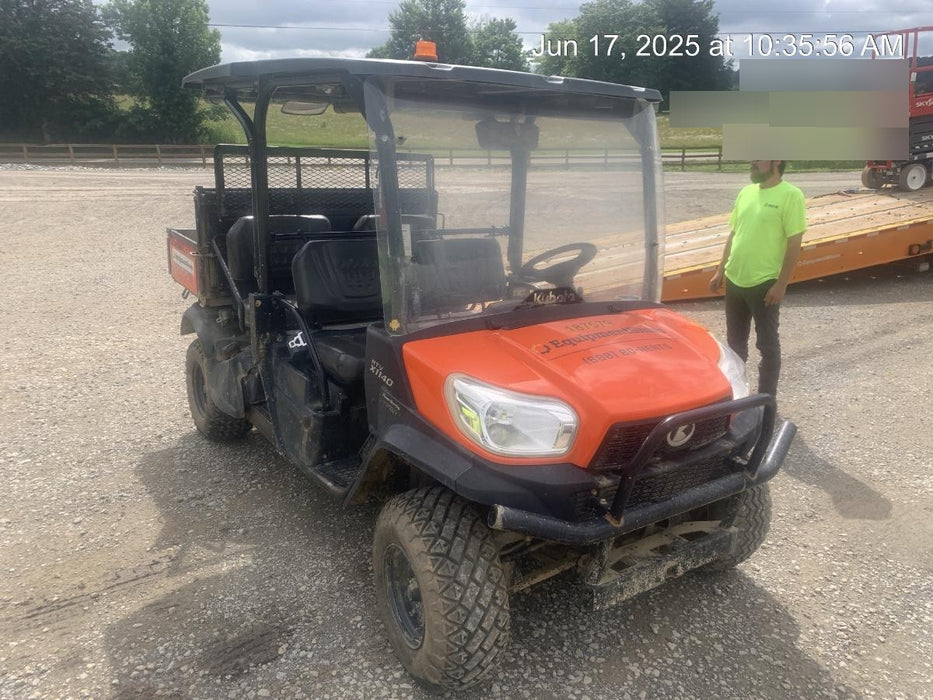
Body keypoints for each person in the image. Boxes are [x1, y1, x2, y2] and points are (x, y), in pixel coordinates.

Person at [709, 160, 805, 399]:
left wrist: (781, 284)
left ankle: (765, 401)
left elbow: (794, 243)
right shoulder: (746, 192)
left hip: (765, 284)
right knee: (734, 344)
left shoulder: (790, 195)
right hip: (735, 280)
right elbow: (734, 233)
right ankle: (737, 396)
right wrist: (720, 270)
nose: (752, 162)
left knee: (768, 347)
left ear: (776, 161)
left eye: (758, 157)